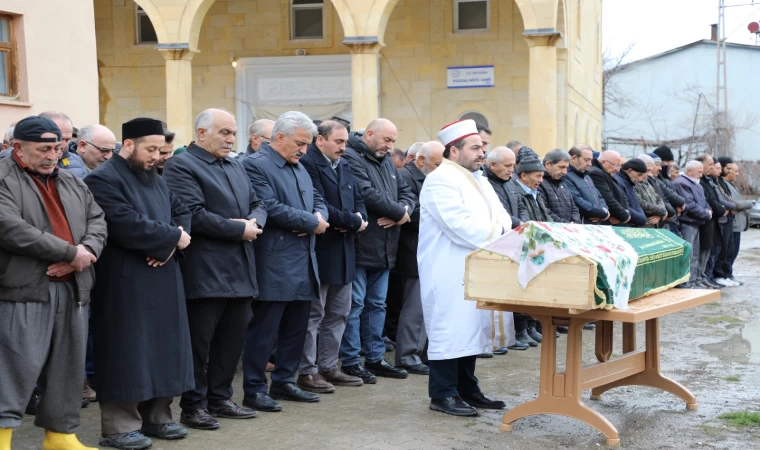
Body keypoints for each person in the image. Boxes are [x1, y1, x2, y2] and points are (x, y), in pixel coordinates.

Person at [85, 118, 194, 450]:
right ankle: (120, 427)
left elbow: (182, 211)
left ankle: (158, 417)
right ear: (128, 145)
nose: (157, 156)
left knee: (165, 350)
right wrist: (172, 239)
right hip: (124, 281)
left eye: (160, 150)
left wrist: (170, 245)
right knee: (127, 353)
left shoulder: (156, 178)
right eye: (150, 149)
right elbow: (122, 222)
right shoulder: (102, 179)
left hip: (163, 274)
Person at [0, 116, 107, 450]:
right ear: (17, 147)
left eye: (58, 148)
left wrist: (86, 251)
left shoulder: (71, 180)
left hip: (73, 287)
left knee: (67, 367)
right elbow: (9, 226)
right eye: (43, 149)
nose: (52, 156)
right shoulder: (3, 177)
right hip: (22, 289)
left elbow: (98, 219)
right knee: (13, 369)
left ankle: (60, 436)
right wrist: (68, 251)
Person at [163, 109, 267, 430]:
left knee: (231, 341)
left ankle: (221, 398)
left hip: (241, 268)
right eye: (223, 132)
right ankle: (193, 406)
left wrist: (254, 223)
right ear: (202, 132)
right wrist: (240, 230)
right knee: (199, 344)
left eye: (233, 133)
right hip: (205, 270)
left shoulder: (235, 164)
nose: (230, 139)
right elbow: (192, 214)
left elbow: (259, 202)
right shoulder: (181, 165)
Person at [419, 119, 511, 417]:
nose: (481, 152)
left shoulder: (478, 178)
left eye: (482, 147)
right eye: (475, 148)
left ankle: (467, 389)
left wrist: (499, 228)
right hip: (448, 269)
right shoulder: (439, 179)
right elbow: (459, 225)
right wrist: (498, 230)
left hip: (475, 265)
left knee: (472, 328)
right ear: (454, 151)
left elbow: (503, 216)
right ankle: (442, 394)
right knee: (451, 330)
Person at [241, 111, 329, 412]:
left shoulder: (299, 166)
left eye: (307, 144)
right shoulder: (255, 165)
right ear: (279, 137)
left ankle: (284, 381)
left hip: (304, 260)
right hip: (274, 261)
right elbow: (269, 206)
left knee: (296, 326)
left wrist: (319, 217)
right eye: (300, 143)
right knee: (264, 329)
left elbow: (318, 198)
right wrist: (310, 222)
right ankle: (254, 388)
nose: (305, 150)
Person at [340, 118, 416, 382]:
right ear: (369, 134)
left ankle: (374, 358)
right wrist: (399, 213)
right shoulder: (351, 157)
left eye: (393, 141)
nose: (391, 146)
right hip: (362, 245)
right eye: (387, 140)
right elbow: (367, 193)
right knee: (355, 306)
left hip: (385, 248)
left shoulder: (386, 161)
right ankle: (351, 360)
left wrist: (403, 213)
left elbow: (407, 193)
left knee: (377, 306)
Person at [297, 120, 368, 393]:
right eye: (338, 141)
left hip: (345, 249)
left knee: (339, 313)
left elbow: (358, 198)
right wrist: (352, 221)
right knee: (315, 314)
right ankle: (307, 371)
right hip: (322, 249)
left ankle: (328, 366)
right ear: (320, 140)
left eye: (345, 142)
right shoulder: (308, 164)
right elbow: (320, 205)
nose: (343, 147)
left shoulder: (345, 165)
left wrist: (359, 218)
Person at [393, 141, 445, 374]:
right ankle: (408, 355)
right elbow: (410, 213)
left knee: (426, 307)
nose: (439, 169)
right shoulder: (406, 178)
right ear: (420, 160)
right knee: (414, 308)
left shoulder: (430, 178)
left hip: (427, 251)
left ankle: (421, 352)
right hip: (412, 250)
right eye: (436, 164)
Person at [481, 146, 527, 352]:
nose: (512, 170)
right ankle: (491, 339)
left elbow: (521, 204)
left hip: (513, 238)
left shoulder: (510, 183)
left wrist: (524, 222)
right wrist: (518, 223)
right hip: (495, 241)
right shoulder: (485, 184)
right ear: (492, 165)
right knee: (492, 292)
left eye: (513, 165)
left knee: (507, 291)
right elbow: (496, 214)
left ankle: (505, 336)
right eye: (508, 166)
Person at [673, 160, 712, 289]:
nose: (701, 175)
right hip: (687, 223)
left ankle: (693, 281)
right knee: (688, 254)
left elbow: (704, 202)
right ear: (689, 171)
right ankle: (685, 282)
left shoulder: (697, 185)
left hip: (696, 223)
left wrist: (708, 210)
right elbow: (689, 204)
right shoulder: (681, 183)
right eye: (699, 172)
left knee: (695, 254)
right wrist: (706, 214)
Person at [717, 158, 754, 286]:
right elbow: (735, 204)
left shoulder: (731, 185)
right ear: (726, 170)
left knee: (733, 252)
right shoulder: (721, 184)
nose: (738, 174)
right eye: (735, 171)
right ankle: (723, 275)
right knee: (727, 252)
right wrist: (750, 203)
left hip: (737, 225)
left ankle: (728, 274)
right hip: (731, 224)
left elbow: (738, 205)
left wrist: (742, 205)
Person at [694, 154, 728, 289]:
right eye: (709, 165)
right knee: (701, 252)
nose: (712, 167)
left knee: (709, 251)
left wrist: (720, 208)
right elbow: (708, 201)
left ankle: (703, 277)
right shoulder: (698, 182)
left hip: (711, 221)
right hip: (704, 221)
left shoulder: (708, 181)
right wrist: (719, 210)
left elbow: (712, 201)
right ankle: (698, 278)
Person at [564, 144, 610, 224]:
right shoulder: (566, 176)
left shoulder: (587, 176)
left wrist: (604, 210)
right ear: (574, 158)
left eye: (590, 160)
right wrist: (601, 212)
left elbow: (599, 197)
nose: (590, 164)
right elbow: (577, 202)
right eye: (586, 160)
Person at [38, 112, 88, 179]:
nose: (64, 145)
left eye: (67, 140)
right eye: (60, 139)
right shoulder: (31, 162)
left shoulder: (76, 160)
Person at [588, 150, 632, 225]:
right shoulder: (596, 173)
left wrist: (626, 213)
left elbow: (623, 196)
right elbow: (608, 199)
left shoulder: (607, 173)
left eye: (619, 166)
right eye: (616, 165)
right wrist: (625, 217)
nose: (618, 170)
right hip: (607, 222)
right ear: (604, 162)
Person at [538, 149, 580, 224]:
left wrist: (575, 222)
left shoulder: (562, 182)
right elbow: (544, 210)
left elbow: (573, 207)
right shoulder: (539, 183)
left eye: (566, 168)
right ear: (548, 164)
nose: (565, 172)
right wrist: (565, 224)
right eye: (561, 167)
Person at [632, 155, 668, 228]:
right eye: (647, 170)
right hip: (641, 228)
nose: (649, 174)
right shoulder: (633, 183)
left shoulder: (646, 182)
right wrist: (662, 212)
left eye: (650, 171)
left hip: (654, 227)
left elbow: (658, 198)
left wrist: (660, 213)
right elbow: (640, 203)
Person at [614, 159, 648, 227]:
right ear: (629, 170)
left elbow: (636, 206)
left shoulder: (629, 183)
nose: (639, 178)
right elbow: (622, 207)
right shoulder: (618, 182)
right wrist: (641, 219)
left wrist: (642, 218)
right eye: (639, 175)